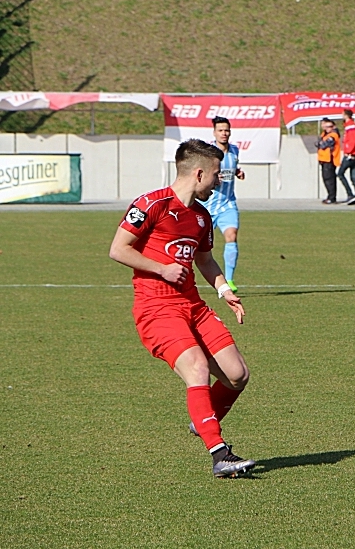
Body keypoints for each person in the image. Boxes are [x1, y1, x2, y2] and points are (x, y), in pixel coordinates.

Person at [109, 139, 255, 478]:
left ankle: (202, 421)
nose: (219, 182)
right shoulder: (152, 204)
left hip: (193, 305)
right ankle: (220, 454)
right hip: (156, 307)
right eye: (217, 175)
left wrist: (223, 289)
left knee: (237, 375)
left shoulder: (202, 218)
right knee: (196, 367)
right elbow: (118, 249)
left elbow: (204, 259)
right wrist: (160, 269)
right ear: (199, 173)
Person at [198, 117, 244, 292]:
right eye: (220, 130)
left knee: (231, 236)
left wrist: (238, 172)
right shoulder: (209, 152)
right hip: (208, 205)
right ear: (214, 132)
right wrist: (216, 177)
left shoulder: (234, 150)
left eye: (226, 130)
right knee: (196, 243)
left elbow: (233, 167)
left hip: (228, 204)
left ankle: (230, 280)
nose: (224, 133)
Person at [338, 109, 355, 205]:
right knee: (354, 175)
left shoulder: (350, 126)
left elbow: (353, 139)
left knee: (340, 173)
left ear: (346, 115)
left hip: (351, 154)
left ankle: (350, 195)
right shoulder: (350, 125)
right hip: (354, 153)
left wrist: (349, 152)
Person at [316, 118, 342, 204]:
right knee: (326, 179)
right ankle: (330, 196)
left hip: (330, 160)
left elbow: (323, 144)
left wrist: (320, 143)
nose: (327, 128)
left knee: (329, 179)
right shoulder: (325, 134)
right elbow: (317, 143)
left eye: (329, 126)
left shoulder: (333, 135)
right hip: (324, 160)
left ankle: (332, 197)